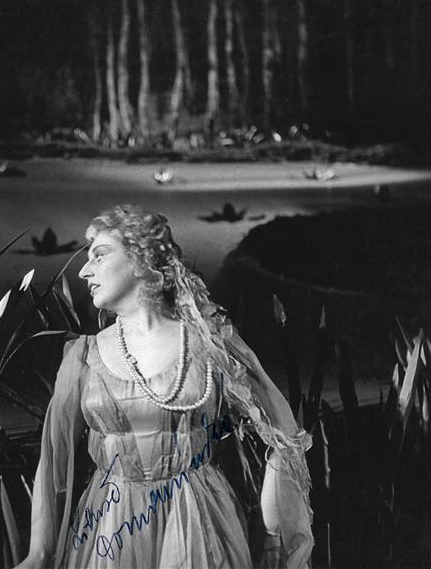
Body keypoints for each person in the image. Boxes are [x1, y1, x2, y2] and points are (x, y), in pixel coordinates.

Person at [16, 205, 313, 568]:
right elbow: (53, 462)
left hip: (199, 524)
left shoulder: (209, 342)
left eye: (100, 255)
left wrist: (273, 531)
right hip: (112, 529)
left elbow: (283, 432)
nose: (84, 270)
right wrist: (39, 552)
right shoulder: (83, 357)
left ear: (141, 260)